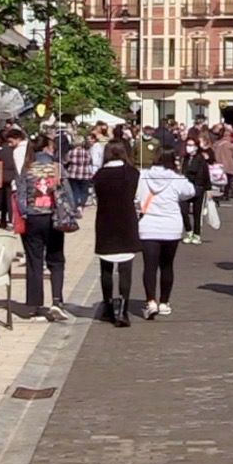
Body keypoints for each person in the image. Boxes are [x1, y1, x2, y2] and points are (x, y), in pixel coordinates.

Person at [136, 150, 195, 320]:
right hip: (171, 227)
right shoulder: (177, 179)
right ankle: (164, 302)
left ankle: (150, 301)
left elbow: (137, 194)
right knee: (167, 266)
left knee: (149, 267)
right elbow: (190, 192)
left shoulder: (143, 175)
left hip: (148, 226)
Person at [16, 135, 69, 321]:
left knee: (34, 261)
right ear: (47, 147)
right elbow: (66, 192)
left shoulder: (27, 168)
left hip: (33, 217)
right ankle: (57, 301)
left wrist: (25, 213)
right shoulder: (56, 167)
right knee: (56, 259)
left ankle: (34, 303)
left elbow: (20, 194)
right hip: (53, 216)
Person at [91, 139, 141, 326]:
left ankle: (107, 306)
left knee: (106, 268)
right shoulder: (132, 173)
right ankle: (123, 308)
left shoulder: (100, 175)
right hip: (126, 222)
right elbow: (137, 197)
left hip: (105, 222)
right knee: (125, 268)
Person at [180, 139, 212, 245]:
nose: (188, 147)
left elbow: (205, 174)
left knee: (197, 213)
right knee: (183, 210)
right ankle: (189, 231)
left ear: (196, 147)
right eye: (187, 145)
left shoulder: (200, 159)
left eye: (191, 145)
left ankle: (197, 234)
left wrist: (208, 189)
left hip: (198, 188)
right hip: (185, 188)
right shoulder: (185, 158)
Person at [64, 132, 95, 210]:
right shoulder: (87, 152)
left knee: (74, 190)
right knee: (84, 190)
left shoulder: (70, 152)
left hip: (73, 173)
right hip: (85, 173)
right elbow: (90, 161)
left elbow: (66, 161)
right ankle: (81, 204)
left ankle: (76, 204)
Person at [211, 129, 233, 202]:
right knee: (228, 182)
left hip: (218, 166)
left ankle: (218, 193)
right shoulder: (231, 145)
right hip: (229, 166)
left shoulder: (215, 144)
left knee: (217, 181)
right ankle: (226, 195)